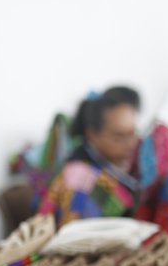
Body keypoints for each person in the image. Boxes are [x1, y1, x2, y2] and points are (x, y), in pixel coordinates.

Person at [38, 86, 142, 225]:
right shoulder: (80, 180)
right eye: (119, 137)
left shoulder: (119, 163)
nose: (131, 144)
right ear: (92, 134)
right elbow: (75, 241)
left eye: (133, 133)